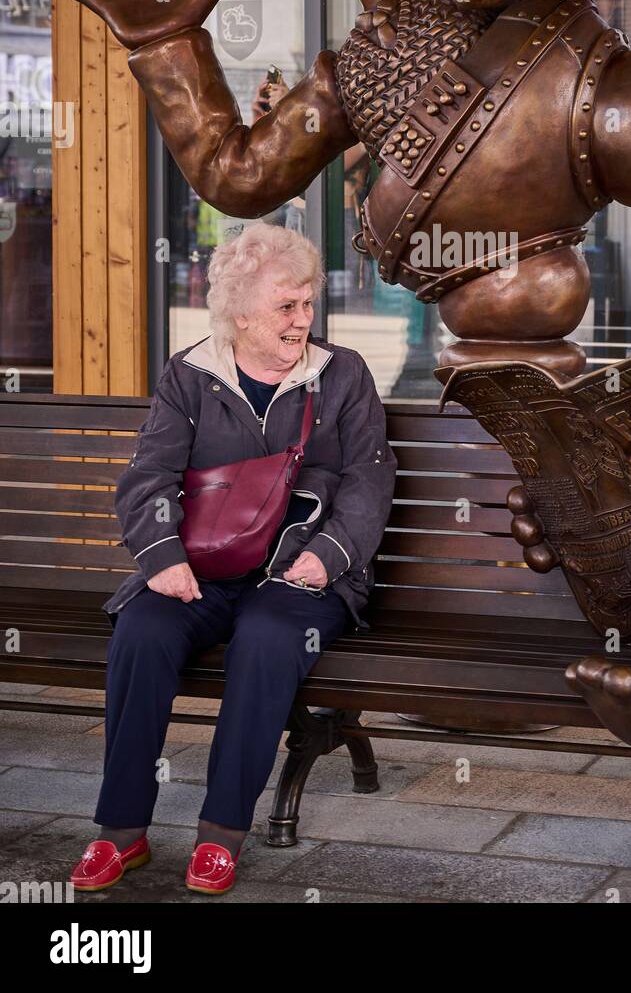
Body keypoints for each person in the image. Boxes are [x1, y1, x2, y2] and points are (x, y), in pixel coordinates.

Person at [69, 222, 397, 895]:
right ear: (242, 311)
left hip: (301, 573)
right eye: (288, 305)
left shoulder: (341, 377)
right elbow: (148, 477)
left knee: (268, 635)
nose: (304, 319)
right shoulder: (192, 376)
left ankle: (221, 834)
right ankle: (120, 831)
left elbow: (370, 480)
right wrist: (160, 557)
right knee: (143, 629)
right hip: (204, 568)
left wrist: (330, 556)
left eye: (309, 303)